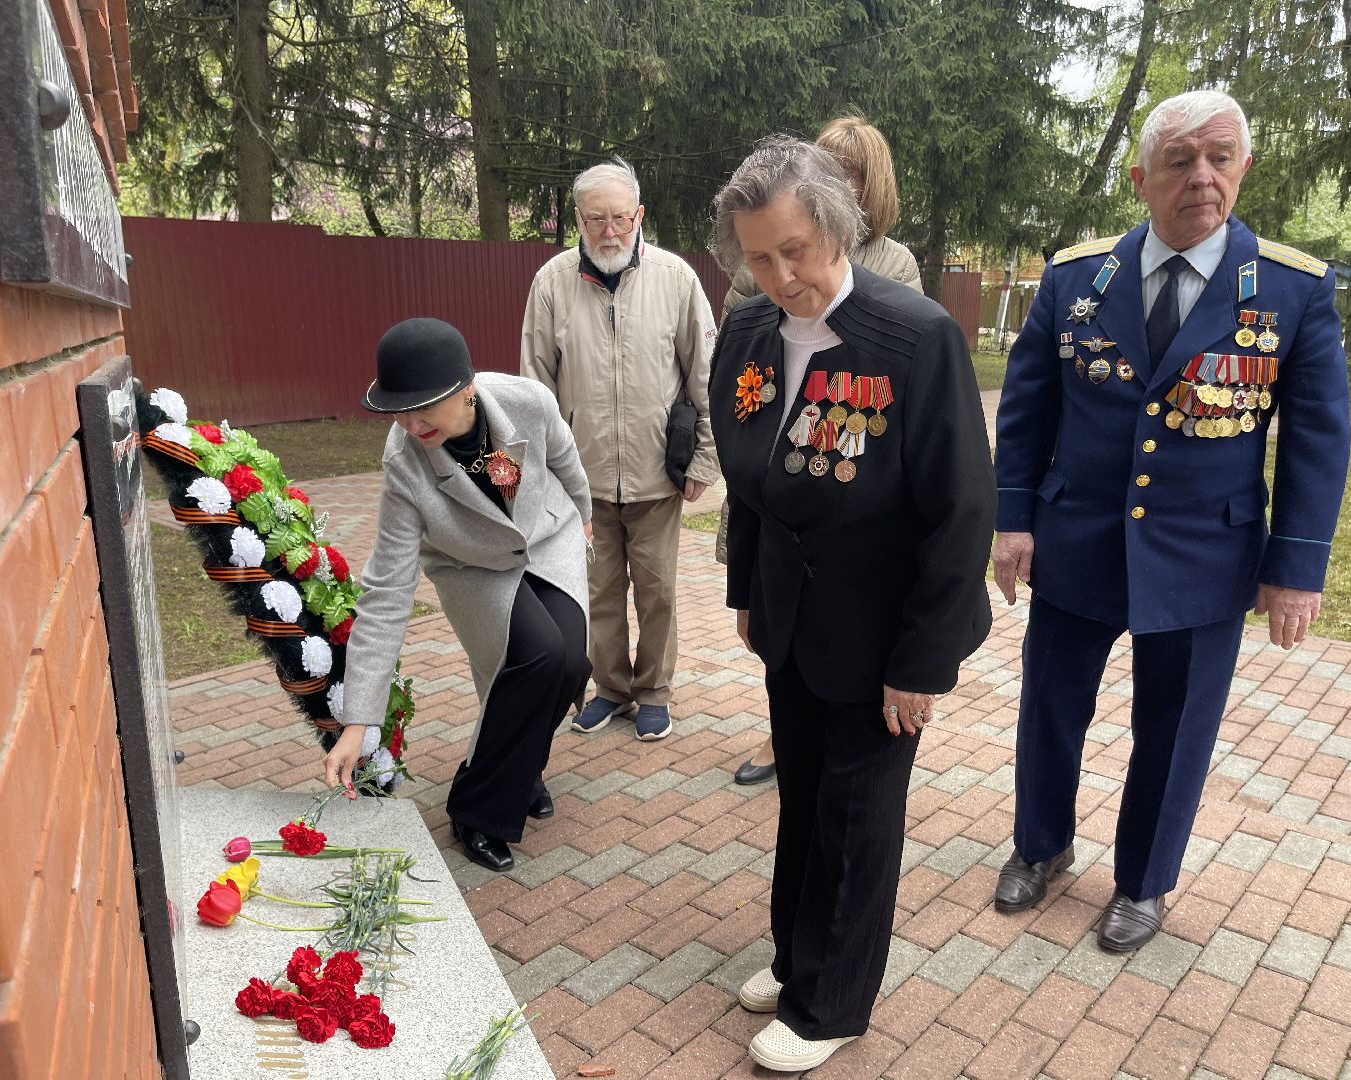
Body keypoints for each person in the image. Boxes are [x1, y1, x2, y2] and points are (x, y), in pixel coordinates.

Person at [992, 89, 1349, 953]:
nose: (1202, 176)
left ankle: (1144, 883)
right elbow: (1027, 408)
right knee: (1050, 705)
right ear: (1139, 177)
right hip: (1077, 537)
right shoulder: (1078, 279)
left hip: (1204, 551)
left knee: (1176, 724)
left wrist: (1296, 565)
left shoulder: (1292, 292)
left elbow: (1316, 437)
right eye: (1181, 159)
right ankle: (1041, 846)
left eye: (1220, 158)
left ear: (1243, 169)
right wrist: (1012, 520)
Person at [709, 137, 994, 1073]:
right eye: (758, 256)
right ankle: (797, 959)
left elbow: (961, 514)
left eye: (795, 249)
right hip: (790, 619)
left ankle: (832, 1005)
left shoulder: (915, 338)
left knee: (859, 814)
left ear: (836, 226)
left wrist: (925, 662)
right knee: (803, 799)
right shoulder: (746, 336)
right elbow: (750, 488)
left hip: (885, 635)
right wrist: (747, 592)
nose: (780, 274)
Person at [323, 318, 593, 873]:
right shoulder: (404, 463)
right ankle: (476, 810)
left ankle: (523, 770)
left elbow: (565, 460)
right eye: (399, 409)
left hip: (546, 535)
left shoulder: (528, 402)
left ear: (466, 388)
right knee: (536, 655)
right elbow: (388, 590)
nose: (411, 422)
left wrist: (585, 518)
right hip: (470, 563)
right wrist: (359, 720)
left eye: (425, 406)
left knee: (570, 661)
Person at [718, 114, 923, 787]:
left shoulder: (894, 272)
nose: (782, 273)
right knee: (781, 625)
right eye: (826, 167)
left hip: (850, 475)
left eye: (851, 174)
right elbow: (743, 360)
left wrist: (921, 660)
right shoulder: (764, 275)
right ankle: (785, 733)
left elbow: (903, 407)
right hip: (776, 473)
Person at [520, 156, 719, 742]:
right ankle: (611, 689)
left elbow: (705, 375)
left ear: (640, 216)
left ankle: (653, 692)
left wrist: (705, 457)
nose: (610, 231)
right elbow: (534, 387)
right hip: (580, 482)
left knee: (657, 593)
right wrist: (545, 475)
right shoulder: (551, 283)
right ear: (578, 220)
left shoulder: (676, 279)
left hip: (659, 475)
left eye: (620, 219)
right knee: (598, 594)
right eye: (596, 220)